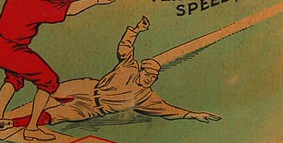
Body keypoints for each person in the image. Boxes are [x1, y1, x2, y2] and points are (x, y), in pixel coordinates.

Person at [0, 0, 117, 141]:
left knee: (14, 79)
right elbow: (60, 10)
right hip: (13, 50)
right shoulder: (32, 1)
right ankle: (32, 128)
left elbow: (52, 5)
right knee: (49, 81)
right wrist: (95, 0)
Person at [50, 16, 221, 123]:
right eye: (148, 74)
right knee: (49, 94)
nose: (149, 78)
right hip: (86, 88)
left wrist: (193, 114)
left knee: (53, 117)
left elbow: (169, 110)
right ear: (141, 70)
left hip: (92, 110)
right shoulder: (129, 68)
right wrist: (136, 30)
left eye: (153, 77)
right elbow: (125, 46)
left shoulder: (145, 97)